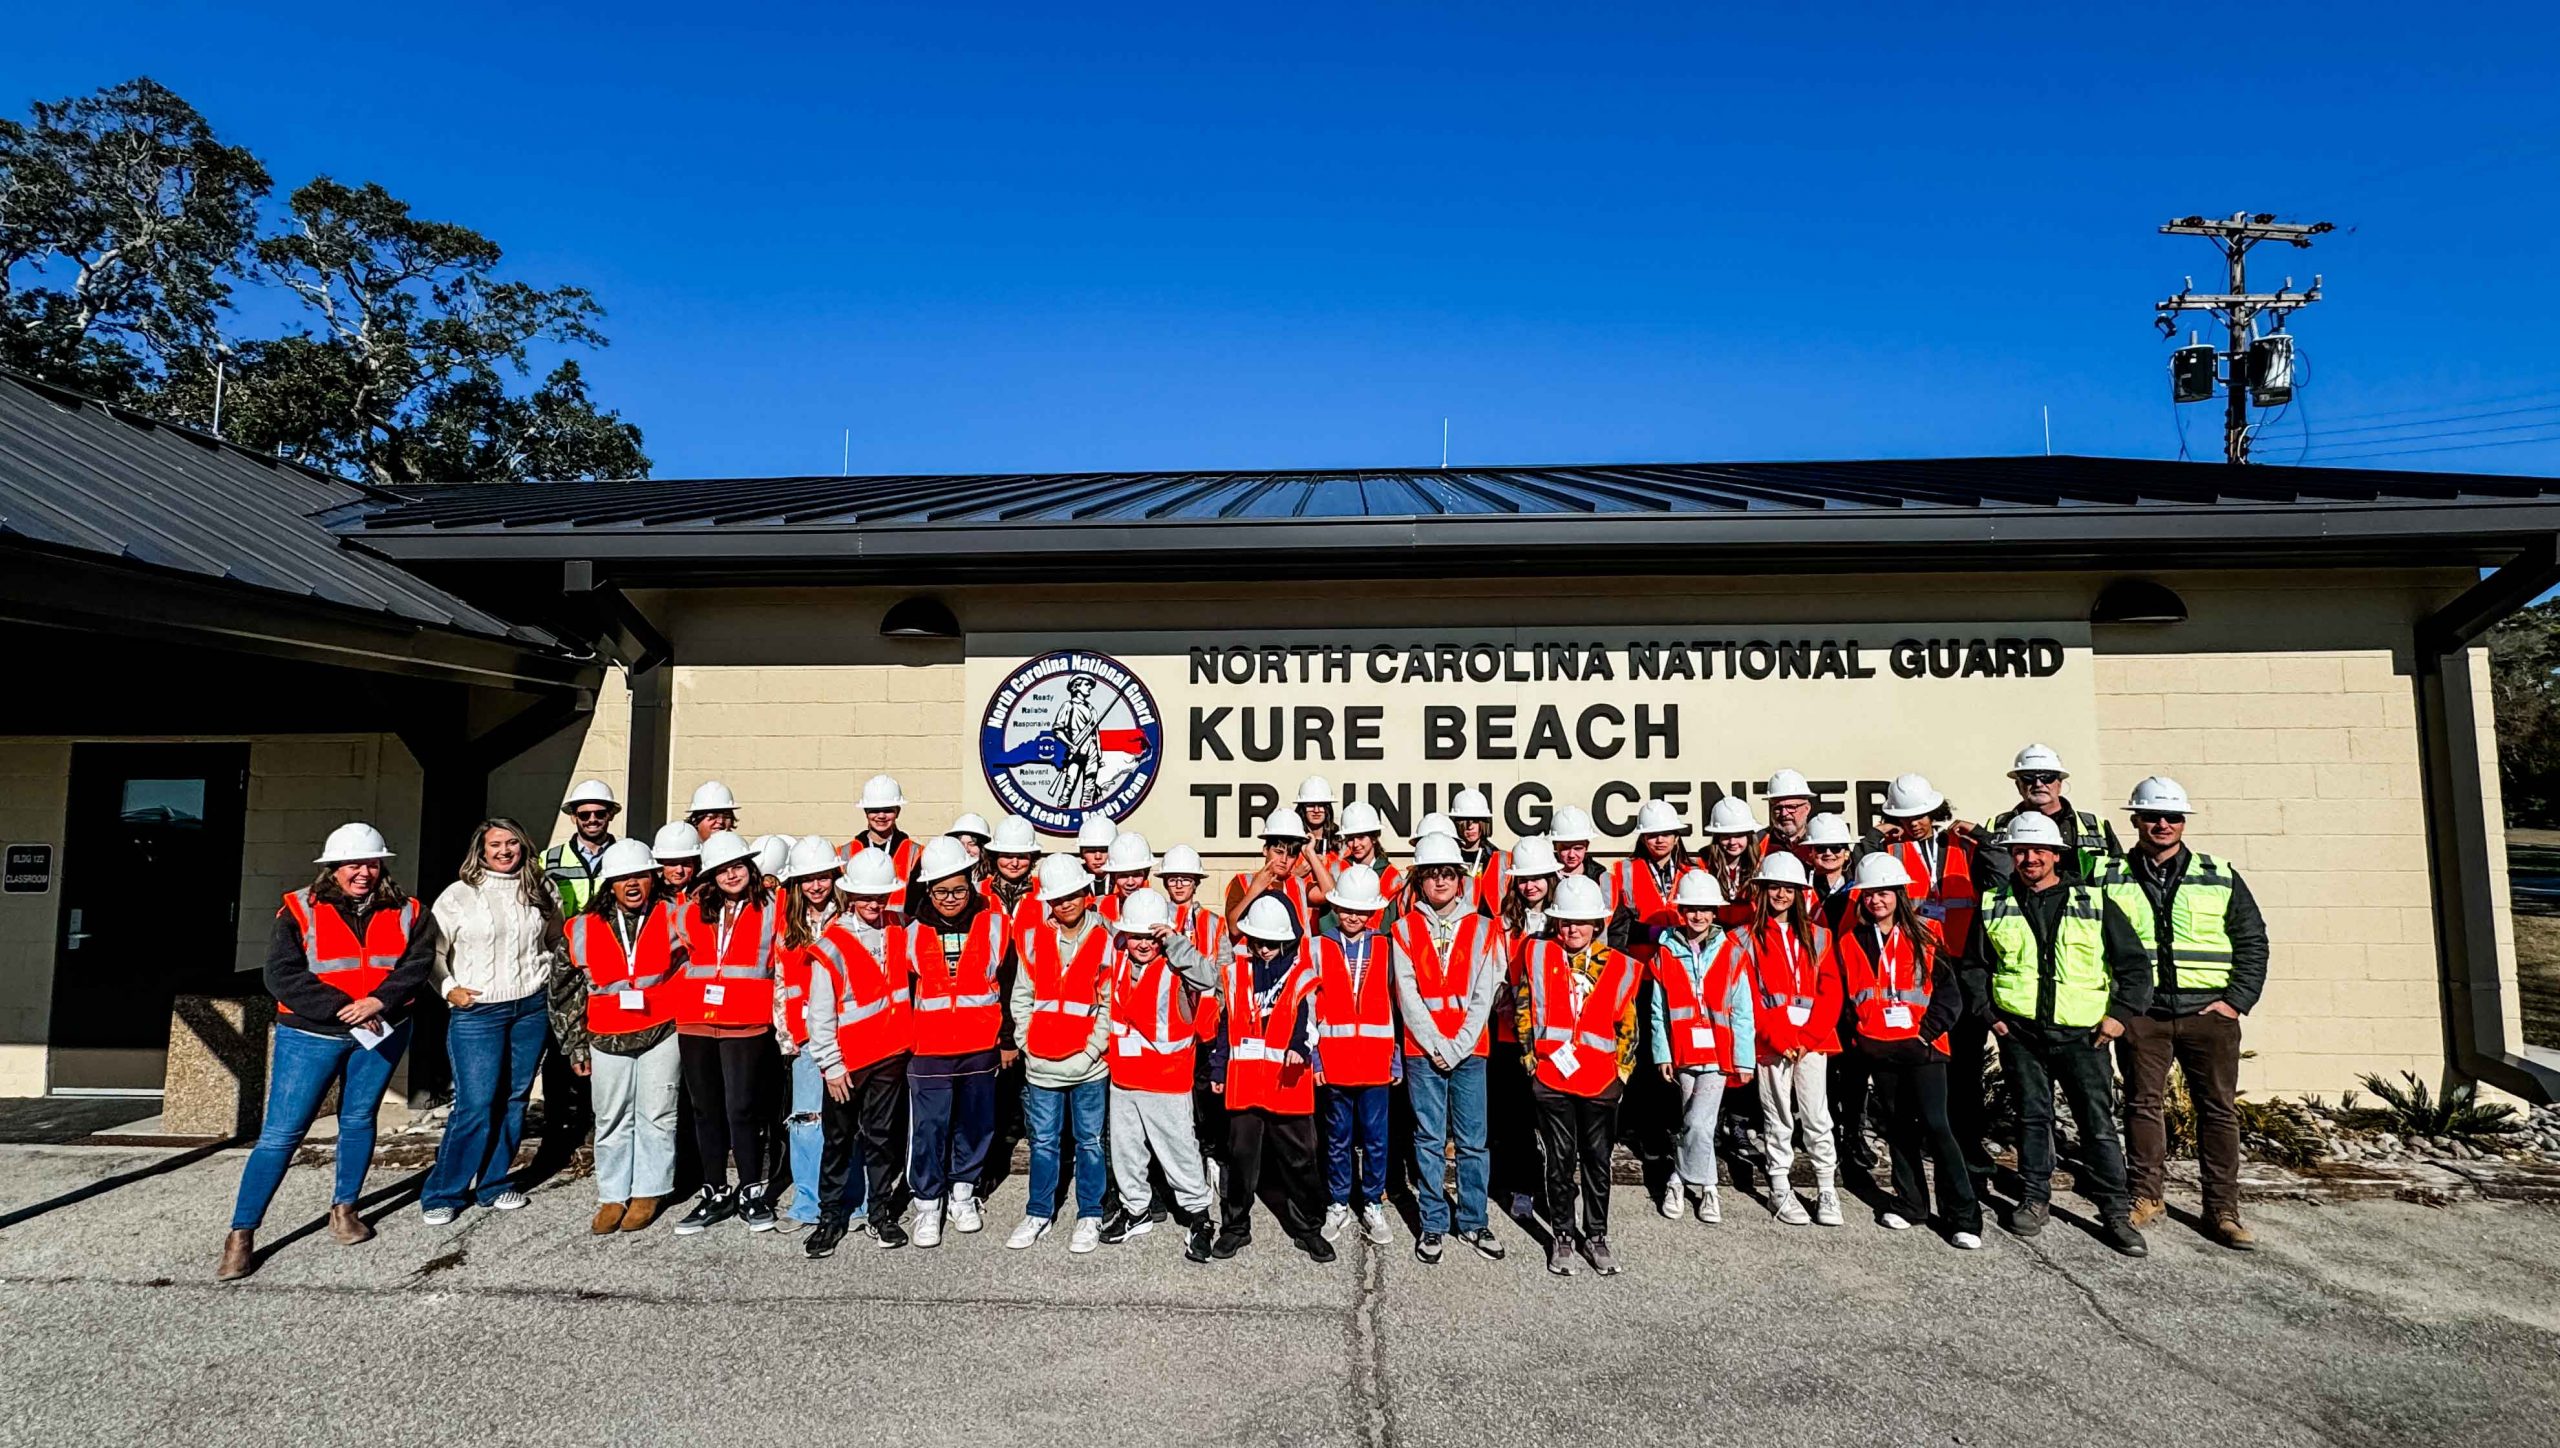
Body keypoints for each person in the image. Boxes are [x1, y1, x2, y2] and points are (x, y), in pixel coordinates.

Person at [220, 824, 435, 1281]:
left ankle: (345, 1209)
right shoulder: (298, 909)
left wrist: (379, 1002)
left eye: (372, 863)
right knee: (282, 1134)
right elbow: (281, 975)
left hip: (382, 1027)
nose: (363, 872)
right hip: (310, 1034)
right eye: (353, 864)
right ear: (332, 867)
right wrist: (342, 1009)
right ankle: (242, 1233)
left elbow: (416, 965)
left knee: (359, 1120)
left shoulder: (410, 910)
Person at [1965, 812, 2153, 1257]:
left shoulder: (2093, 901)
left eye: (2038, 851)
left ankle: (2115, 1212)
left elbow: (2134, 966)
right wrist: (1990, 1015)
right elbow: (1975, 967)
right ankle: (2034, 1198)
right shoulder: (1995, 902)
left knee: (2097, 1125)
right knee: (2032, 1119)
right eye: (2021, 851)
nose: (2029, 858)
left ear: (2056, 855)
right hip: (2022, 1034)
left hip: (2085, 1036)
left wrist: (2119, 1016)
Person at [2107, 777, 2269, 1250]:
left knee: (2217, 1111)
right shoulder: (2109, 874)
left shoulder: (2218, 874)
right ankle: (2146, 1195)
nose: (2162, 824)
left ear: (2183, 823)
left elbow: (2252, 940)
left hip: (2209, 1016)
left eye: (2172, 817)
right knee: (2142, 1105)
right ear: (2135, 819)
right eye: (2152, 816)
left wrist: (2236, 1001)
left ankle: (2222, 1209)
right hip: (2144, 1017)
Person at [1832, 853, 1982, 1249]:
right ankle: (1912, 1205)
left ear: (1898, 893)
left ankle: (1963, 1218)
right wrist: (1859, 1038)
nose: (1876, 900)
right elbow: (1849, 999)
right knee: (1897, 1128)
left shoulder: (1929, 933)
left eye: (1883, 892)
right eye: (1868, 894)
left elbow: (1949, 996)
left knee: (1937, 1126)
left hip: (1924, 1049)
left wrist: (1926, 1034)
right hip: (1879, 1049)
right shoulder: (1850, 941)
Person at [421, 817, 563, 1224]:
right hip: (477, 1012)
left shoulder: (542, 888)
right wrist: (449, 989)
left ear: (524, 846)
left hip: (530, 1008)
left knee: (515, 1098)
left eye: (512, 843)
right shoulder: (458, 895)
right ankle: (444, 1191)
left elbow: (554, 937)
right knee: (475, 1103)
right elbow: (432, 953)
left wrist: (548, 973)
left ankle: (494, 1183)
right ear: (480, 851)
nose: (505, 851)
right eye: (496, 844)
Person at [552, 838, 683, 1235]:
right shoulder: (580, 928)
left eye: (640, 876)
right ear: (609, 883)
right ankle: (612, 1194)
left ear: (652, 878)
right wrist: (573, 1043)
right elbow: (564, 990)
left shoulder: (676, 916)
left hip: (663, 1031)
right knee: (611, 1117)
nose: (631, 884)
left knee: (658, 1114)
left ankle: (649, 1190)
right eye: (623, 877)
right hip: (605, 1036)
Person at [1392, 833, 1507, 1264]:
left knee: (1474, 1141)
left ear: (1460, 879)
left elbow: (1485, 993)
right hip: (1424, 1052)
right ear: (1419, 881)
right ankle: (1433, 1224)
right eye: (1430, 874)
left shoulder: (1484, 928)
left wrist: (1456, 1046)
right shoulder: (1403, 930)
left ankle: (1474, 1222)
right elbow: (1407, 994)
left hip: (1469, 1050)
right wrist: (1436, 1043)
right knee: (1428, 1139)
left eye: (1447, 874)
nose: (1439, 882)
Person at [1873, 773, 1994, 1177]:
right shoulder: (1891, 851)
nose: (1915, 823)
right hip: (1919, 968)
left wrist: (1983, 835)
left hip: (1964, 964)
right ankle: (1928, 1134)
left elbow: (2005, 869)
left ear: (1934, 812)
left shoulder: (1964, 846)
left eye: (1921, 815)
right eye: (1906, 817)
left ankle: (1968, 1141)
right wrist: (1875, 838)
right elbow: (1865, 872)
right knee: (1925, 1056)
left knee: (1966, 1060)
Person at [1519, 875, 1640, 1276]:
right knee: (1558, 1162)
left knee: (1597, 1164)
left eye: (1582, 922)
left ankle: (1597, 1235)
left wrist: (1620, 1075)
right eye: (1566, 921)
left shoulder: (1620, 967)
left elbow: (1629, 1026)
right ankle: (1563, 1236)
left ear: (1596, 924)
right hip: (1552, 1080)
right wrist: (1530, 1063)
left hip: (1600, 1083)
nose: (1573, 929)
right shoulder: (1537, 955)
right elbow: (1524, 1011)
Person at [803, 851, 920, 1256]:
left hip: (891, 1054)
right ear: (851, 895)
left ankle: (881, 1212)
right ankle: (831, 1216)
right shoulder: (832, 945)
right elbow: (819, 1014)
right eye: (866, 897)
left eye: (881, 897)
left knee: (882, 1137)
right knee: (837, 1140)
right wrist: (831, 1066)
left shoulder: (898, 927)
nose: (874, 904)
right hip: (848, 1064)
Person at [1095, 887, 1221, 1259]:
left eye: (1151, 936)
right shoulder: (1117, 957)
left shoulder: (1177, 965)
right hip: (1124, 1078)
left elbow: (1209, 976)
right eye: (1136, 936)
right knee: (1126, 1151)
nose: (1143, 944)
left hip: (1167, 1080)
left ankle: (1199, 1217)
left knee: (1179, 1151)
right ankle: (1137, 1210)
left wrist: (1177, 943)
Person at [670, 830, 783, 1234]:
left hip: (747, 1021)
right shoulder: (689, 909)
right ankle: (715, 1191)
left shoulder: (773, 905)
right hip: (696, 1020)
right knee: (706, 1110)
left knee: (742, 1109)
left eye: (737, 866)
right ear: (710, 875)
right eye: (721, 870)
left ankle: (751, 1190)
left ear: (750, 867)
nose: (731, 875)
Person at [1210, 894, 1331, 1262]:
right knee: (1240, 1159)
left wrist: (1300, 1046)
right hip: (1244, 1082)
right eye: (1257, 941)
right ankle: (1234, 1228)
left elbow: (1308, 1021)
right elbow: (1226, 1027)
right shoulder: (1234, 974)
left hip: (1288, 1081)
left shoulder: (1301, 976)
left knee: (1301, 1159)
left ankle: (1309, 1228)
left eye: (1271, 942)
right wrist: (1218, 1067)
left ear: (1287, 941)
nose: (1263, 949)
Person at [1009, 854, 1115, 1253]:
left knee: (1090, 1143)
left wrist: (1091, 1050)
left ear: (1085, 894)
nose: (1065, 903)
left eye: (1072, 895)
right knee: (1044, 1143)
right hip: (1042, 1066)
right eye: (1058, 898)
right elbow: (1022, 996)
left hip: (1088, 1067)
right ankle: (1038, 1212)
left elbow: (1109, 1003)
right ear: (1048, 902)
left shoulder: (1106, 940)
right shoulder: (1035, 939)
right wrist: (1026, 1041)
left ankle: (1089, 1214)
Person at [905, 836, 1007, 1248]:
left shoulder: (996, 924)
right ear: (928, 889)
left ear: (972, 884)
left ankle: (963, 1193)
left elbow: (1010, 982)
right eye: (942, 890)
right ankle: (928, 1204)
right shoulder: (910, 931)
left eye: (959, 889)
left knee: (975, 1122)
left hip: (980, 1044)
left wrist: (1007, 1038)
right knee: (929, 1128)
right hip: (927, 1048)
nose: (951, 898)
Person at [1645, 872, 1756, 1225]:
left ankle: (1687, 1182)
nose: (1698, 916)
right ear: (1682, 911)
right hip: (1682, 1050)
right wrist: (1662, 1052)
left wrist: (1744, 1058)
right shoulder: (1665, 953)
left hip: (1719, 1052)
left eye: (1705, 910)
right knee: (1696, 1122)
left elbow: (1743, 1010)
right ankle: (1705, 1186)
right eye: (1692, 909)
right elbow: (1658, 1010)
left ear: (1715, 912)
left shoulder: (1733, 952)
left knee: (1698, 1122)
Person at [1747, 851, 1843, 1226]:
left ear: (1800, 892)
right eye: (1774, 887)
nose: (1781, 894)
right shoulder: (1746, 938)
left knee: (1818, 1115)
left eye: (1789, 888)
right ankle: (1779, 1188)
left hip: (1812, 1042)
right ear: (1762, 890)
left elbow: (1830, 991)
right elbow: (1748, 996)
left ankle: (1826, 1188)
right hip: (1770, 1043)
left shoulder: (1820, 936)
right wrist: (1778, 1036)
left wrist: (1808, 1036)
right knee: (1777, 1116)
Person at [1311, 864, 1398, 1250]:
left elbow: (1395, 1003)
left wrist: (1395, 1055)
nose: (1353, 916)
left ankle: (1373, 1203)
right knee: (1337, 1138)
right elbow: (1309, 1007)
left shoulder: (1386, 946)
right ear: (1336, 907)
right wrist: (1314, 1058)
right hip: (1334, 1059)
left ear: (1373, 913)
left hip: (1377, 1061)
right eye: (1347, 909)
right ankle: (1338, 1202)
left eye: (1361, 911)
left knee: (1377, 1140)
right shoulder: (1318, 945)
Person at [776, 837, 856, 1235]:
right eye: (807, 879)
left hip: (850, 1035)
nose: (816, 886)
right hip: (805, 1038)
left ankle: (853, 1203)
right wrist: (785, 1034)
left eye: (823, 877)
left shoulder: (851, 919)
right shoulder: (787, 925)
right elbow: (779, 980)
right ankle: (807, 1201)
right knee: (807, 1120)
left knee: (847, 1121)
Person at [1490, 835, 1561, 1223]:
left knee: (1551, 1119)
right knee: (1516, 1118)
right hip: (1510, 1034)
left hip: (1553, 1034)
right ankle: (1523, 1185)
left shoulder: (1565, 919)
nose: (1530, 886)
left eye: (1537, 878)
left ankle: (1555, 1190)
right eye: (1523, 879)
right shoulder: (1503, 925)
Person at [1985, 745, 2123, 884]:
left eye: (2047, 777)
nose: (2038, 784)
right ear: (2018, 785)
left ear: (2060, 783)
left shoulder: (2096, 826)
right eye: (2028, 777)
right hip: (2016, 904)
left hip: (2085, 905)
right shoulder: (1995, 827)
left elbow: (2118, 877)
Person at [1609, 799, 1697, 957]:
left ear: (1676, 838)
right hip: (1642, 963)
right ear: (1643, 838)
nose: (1660, 840)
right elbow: (1620, 926)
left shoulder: (1695, 873)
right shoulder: (1625, 871)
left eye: (1666, 834)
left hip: (1684, 961)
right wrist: (1653, 932)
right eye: (1653, 835)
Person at [840, 774, 921, 912]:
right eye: (875, 810)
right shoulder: (845, 853)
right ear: (866, 812)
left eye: (888, 810)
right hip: (860, 929)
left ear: (898, 811)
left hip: (900, 929)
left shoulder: (916, 852)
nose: (881, 816)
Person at [1224, 810, 1315, 930]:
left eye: (1291, 856)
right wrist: (1255, 890)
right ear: (1265, 850)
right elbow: (1234, 929)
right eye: (1278, 852)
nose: (1284, 860)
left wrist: (1310, 852)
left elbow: (1329, 892)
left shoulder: (1299, 885)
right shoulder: (1242, 882)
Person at [545, 780, 622, 915]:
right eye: (584, 815)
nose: (592, 820)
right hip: (565, 935)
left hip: (612, 935)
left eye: (600, 814)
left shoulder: (626, 857)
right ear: (574, 817)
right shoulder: (548, 859)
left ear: (611, 815)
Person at [1309, 800, 1401, 906]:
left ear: (1374, 838)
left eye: (1361, 837)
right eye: (1351, 838)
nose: (1355, 844)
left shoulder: (1391, 875)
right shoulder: (1335, 869)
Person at [981, 813, 1046, 937]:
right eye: (1007, 856)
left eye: (1022, 857)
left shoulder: (1045, 891)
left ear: (1032, 858)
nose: (1015, 863)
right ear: (995, 857)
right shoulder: (979, 892)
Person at [1698, 797, 1761, 925]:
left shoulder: (1761, 866)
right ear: (1717, 837)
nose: (1732, 842)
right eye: (1726, 836)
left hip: (1750, 935)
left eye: (1738, 836)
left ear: (1749, 837)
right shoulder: (1703, 864)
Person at [1447, 788, 1504, 912]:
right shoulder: (1447, 856)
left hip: (1488, 925)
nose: (1470, 826)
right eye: (1465, 820)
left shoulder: (1496, 857)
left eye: (1476, 820)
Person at [1757, 770, 1818, 866]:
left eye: (1791, 807)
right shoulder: (1758, 841)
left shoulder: (1822, 840)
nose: (1784, 813)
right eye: (1778, 808)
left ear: (1807, 808)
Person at [1096, 830, 1155, 924]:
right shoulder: (1098, 907)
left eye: (1136, 875)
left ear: (1146, 875)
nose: (1130, 882)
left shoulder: (1158, 907)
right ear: (1113, 877)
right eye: (1123, 876)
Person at [1294, 774, 1343, 863]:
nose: (1316, 810)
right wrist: (1297, 874)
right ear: (1302, 809)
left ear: (1328, 808)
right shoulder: (1293, 838)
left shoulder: (1339, 839)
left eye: (1321, 805)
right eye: (1311, 805)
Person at [651, 820, 701, 895]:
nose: (679, 870)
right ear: (660, 864)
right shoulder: (650, 896)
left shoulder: (705, 895)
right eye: (672, 864)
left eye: (685, 864)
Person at [1075, 813, 1119, 892]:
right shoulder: (1071, 881)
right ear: (1081, 853)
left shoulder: (1128, 881)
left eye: (1104, 850)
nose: (1098, 856)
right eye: (1091, 851)